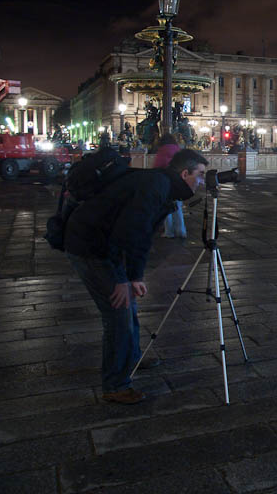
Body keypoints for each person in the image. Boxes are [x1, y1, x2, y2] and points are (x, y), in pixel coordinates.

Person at [64, 149, 207, 404]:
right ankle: (115, 384)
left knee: (128, 302)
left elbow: (140, 235)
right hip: (90, 246)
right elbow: (130, 232)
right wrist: (123, 278)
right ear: (185, 173)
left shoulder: (162, 185)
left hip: (101, 242)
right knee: (118, 311)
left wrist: (133, 277)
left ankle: (131, 358)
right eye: (200, 175)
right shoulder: (157, 186)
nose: (202, 182)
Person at [154, 133, 186, 238]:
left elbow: (157, 167)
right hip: (178, 181)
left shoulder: (162, 151)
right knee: (177, 207)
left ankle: (169, 232)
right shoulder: (178, 150)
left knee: (167, 208)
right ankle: (181, 230)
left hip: (166, 181)